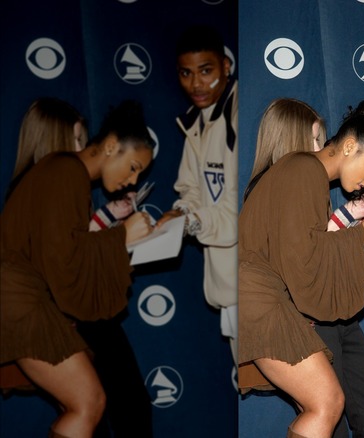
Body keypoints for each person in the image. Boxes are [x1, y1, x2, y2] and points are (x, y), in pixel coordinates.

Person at [238, 100, 364, 438]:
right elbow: (302, 258)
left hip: (267, 300)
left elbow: (302, 247)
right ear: (350, 147)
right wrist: (360, 235)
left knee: (331, 402)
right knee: (326, 403)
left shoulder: (304, 173)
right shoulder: (304, 169)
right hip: (265, 302)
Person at [0, 100, 154, 438]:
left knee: (88, 401)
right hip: (21, 302)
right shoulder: (65, 171)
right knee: (88, 402)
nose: (132, 180)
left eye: (139, 174)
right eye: (132, 167)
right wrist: (121, 237)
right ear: (111, 146)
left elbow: (60, 250)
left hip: (26, 300)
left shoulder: (63, 172)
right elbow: (62, 258)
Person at [156, 25, 239, 365]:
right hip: (228, 280)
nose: (196, 84)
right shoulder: (196, 120)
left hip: (256, 279)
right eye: (186, 73)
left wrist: (190, 221)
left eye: (206, 71)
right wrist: (181, 214)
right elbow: (189, 188)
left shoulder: (239, 115)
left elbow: (239, 212)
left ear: (225, 67)